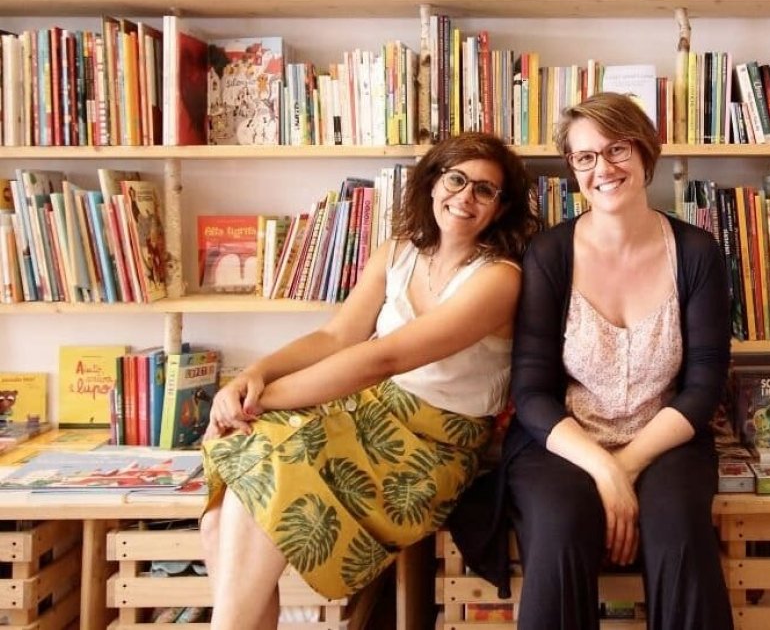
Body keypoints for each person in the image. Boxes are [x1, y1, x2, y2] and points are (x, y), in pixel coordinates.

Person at [199, 132, 538, 630]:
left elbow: (385, 358)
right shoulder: (397, 251)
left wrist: (257, 402)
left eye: (484, 190)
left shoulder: (499, 278)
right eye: (456, 179)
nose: (465, 196)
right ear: (432, 183)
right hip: (361, 415)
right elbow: (335, 337)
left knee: (254, 483)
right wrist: (255, 375)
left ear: (500, 207)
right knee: (220, 515)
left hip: (428, 450)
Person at [507, 92, 733, 630]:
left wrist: (624, 467)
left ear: (645, 151)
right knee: (561, 523)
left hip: (666, 438)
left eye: (617, 150)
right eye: (585, 157)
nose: (603, 168)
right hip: (564, 439)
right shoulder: (550, 253)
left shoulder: (697, 252)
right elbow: (530, 391)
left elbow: (703, 387)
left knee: (677, 526)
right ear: (572, 168)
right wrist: (602, 468)